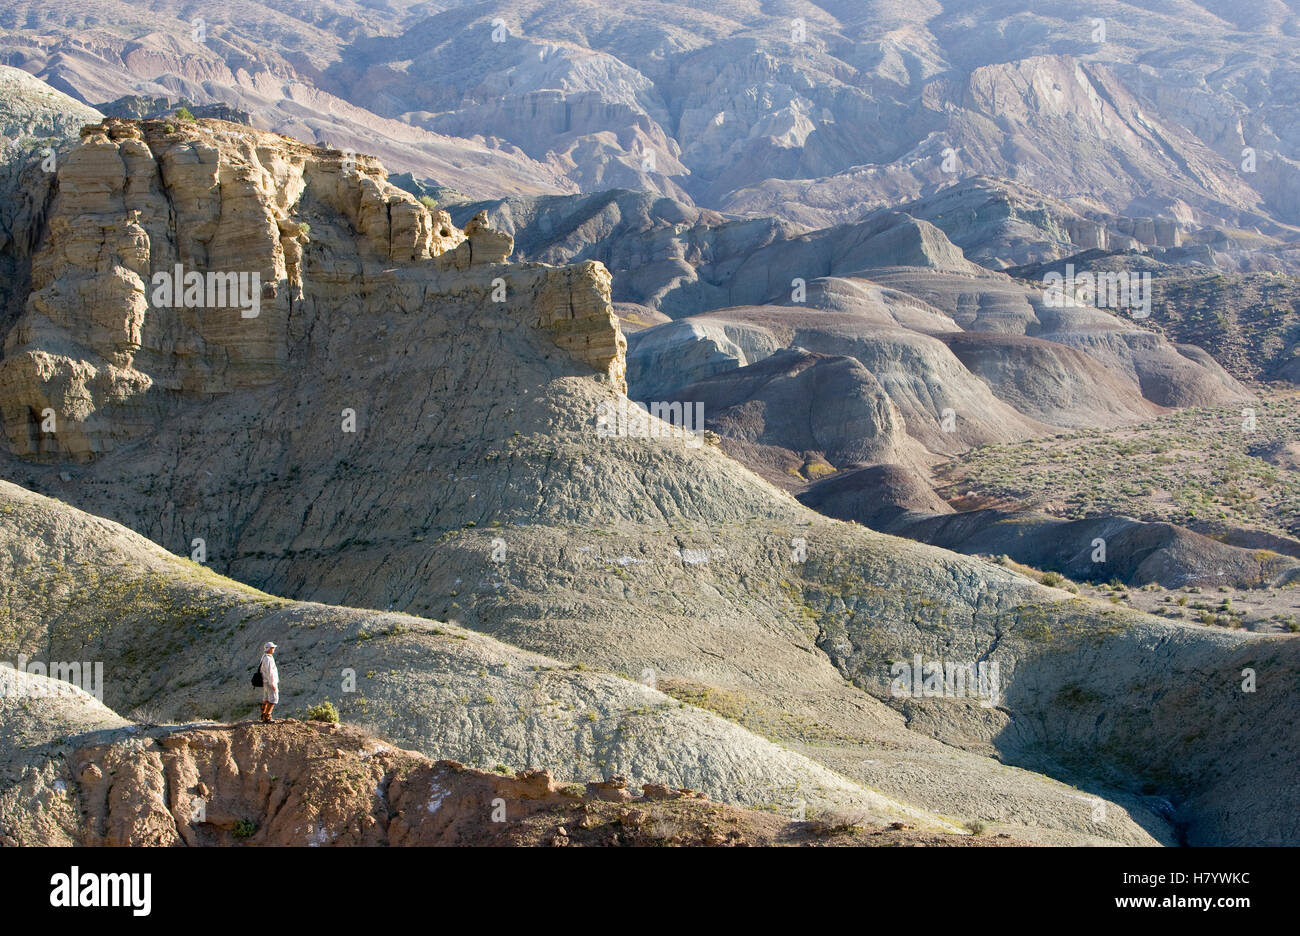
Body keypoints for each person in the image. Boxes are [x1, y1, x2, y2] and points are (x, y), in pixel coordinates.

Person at [258, 642, 279, 723]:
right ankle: (267, 716)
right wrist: (272, 683)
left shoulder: (265, 657)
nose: (273, 649)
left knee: (266, 698)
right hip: (269, 681)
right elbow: (270, 672)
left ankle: (263, 715)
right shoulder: (268, 658)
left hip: (265, 681)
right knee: (273, 698)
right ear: (269, 649)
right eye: (272, 648)